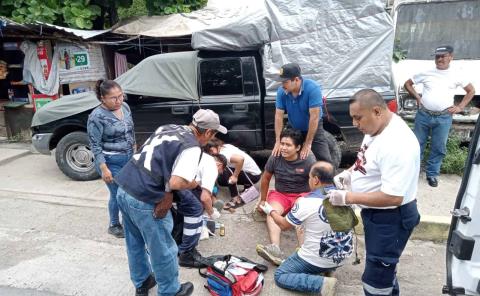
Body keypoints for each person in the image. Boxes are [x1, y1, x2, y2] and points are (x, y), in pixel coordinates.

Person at [115, 109, 226, 296]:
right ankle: (170, 291)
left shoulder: (168, 127)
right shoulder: (192, 147)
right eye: (213, 134)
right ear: (207, 132)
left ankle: (142, 281)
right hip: (145, 199)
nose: (211, 139)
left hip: (125, 187)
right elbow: (177, 182)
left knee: (134, 242)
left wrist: (167, 191)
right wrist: (194, 183)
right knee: (163, 249)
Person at [328, 89, 421, 296]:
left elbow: (393, 197)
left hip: (391, 218)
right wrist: (349, 173)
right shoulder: (375, 130)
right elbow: (365, 159)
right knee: (383, 269)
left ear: (377, 111)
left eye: (357, 117)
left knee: (377, 277)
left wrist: (348, 197)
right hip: (377, 215)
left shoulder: (397, 144)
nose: (354, 124)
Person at [260, 161, 352, 295]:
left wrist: (271, 211)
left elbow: (284, 225)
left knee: (281, 275)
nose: (308, 180)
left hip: (318, 258)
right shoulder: (345, 195)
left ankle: (321, 284)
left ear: (315, 180)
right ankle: (329, 269)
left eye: (309, 177)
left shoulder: (306, 202)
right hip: (344, 255)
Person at [404, 45, 475, 187]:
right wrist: (418, 98)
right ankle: (412, 173)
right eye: (438, 56)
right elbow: (408, 84)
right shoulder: (426, 72)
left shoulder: (457, 74)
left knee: (438, 147)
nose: (440, 59)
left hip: (444, 117)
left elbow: (471, 90)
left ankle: (432, 174)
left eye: (443, 56)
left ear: (451, 57)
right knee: (417, 145)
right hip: (423, 115)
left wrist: (460, 107)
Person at [256, 128, 316, 265]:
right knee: (271, 212)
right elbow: (265, 179)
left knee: (301, 214)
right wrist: (263, 201)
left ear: (298, 147)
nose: (283, 148)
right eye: (282, 143)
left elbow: (317, 182)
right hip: (280, 194)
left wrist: (313, 200)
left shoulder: (308, 159)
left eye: (288, 145)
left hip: (302, 195)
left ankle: (303, 252)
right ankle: (275, 249)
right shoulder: (275, 156)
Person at [87, 79, 135, 238]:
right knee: (117, 194)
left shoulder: (125, 107)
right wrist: (103, 168)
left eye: (121, 96)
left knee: (129, 192)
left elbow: (131, 130)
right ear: (103, 98)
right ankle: (114, 224)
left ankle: (129, 221)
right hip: (111, 161)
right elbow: (95, 144)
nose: (119, 100)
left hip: (128, 157)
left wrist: (135, 151)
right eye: (113, 98)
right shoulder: (96, 117)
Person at [272, 63, 331, 163]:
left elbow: (314, 117)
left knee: (324, 159)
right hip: (294, 126)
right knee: (284, 154)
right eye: (281, 82)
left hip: (313, 126)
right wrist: (277, 141)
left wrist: (308, 143)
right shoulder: (281, 91)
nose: (282, 85)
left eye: (285, 82)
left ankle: (326, 177)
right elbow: (278, 116)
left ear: (296, 79)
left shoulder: (312, 88)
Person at [176, 153, 225, 268]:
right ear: (219, 165)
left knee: (184, 210)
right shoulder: (212, 166)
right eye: (220, 171)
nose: (218, 175)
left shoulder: (203, 158)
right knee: (196, 209)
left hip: (171, 179)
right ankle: (186, 254)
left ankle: (178, 245)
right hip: (179, 182)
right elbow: (205, 198)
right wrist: (212, 213)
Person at [205, 138, 261, 209]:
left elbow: (240, 159)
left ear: (218, 147)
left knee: (225, 168)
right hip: (254, 173)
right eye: (209, 151)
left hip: (253, 175)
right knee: (222, 179)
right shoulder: (225, 146)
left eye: (212, 150)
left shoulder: (224, 154)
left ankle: (235, 197)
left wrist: (235, 176)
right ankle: (247, 185)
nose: (211, 153)